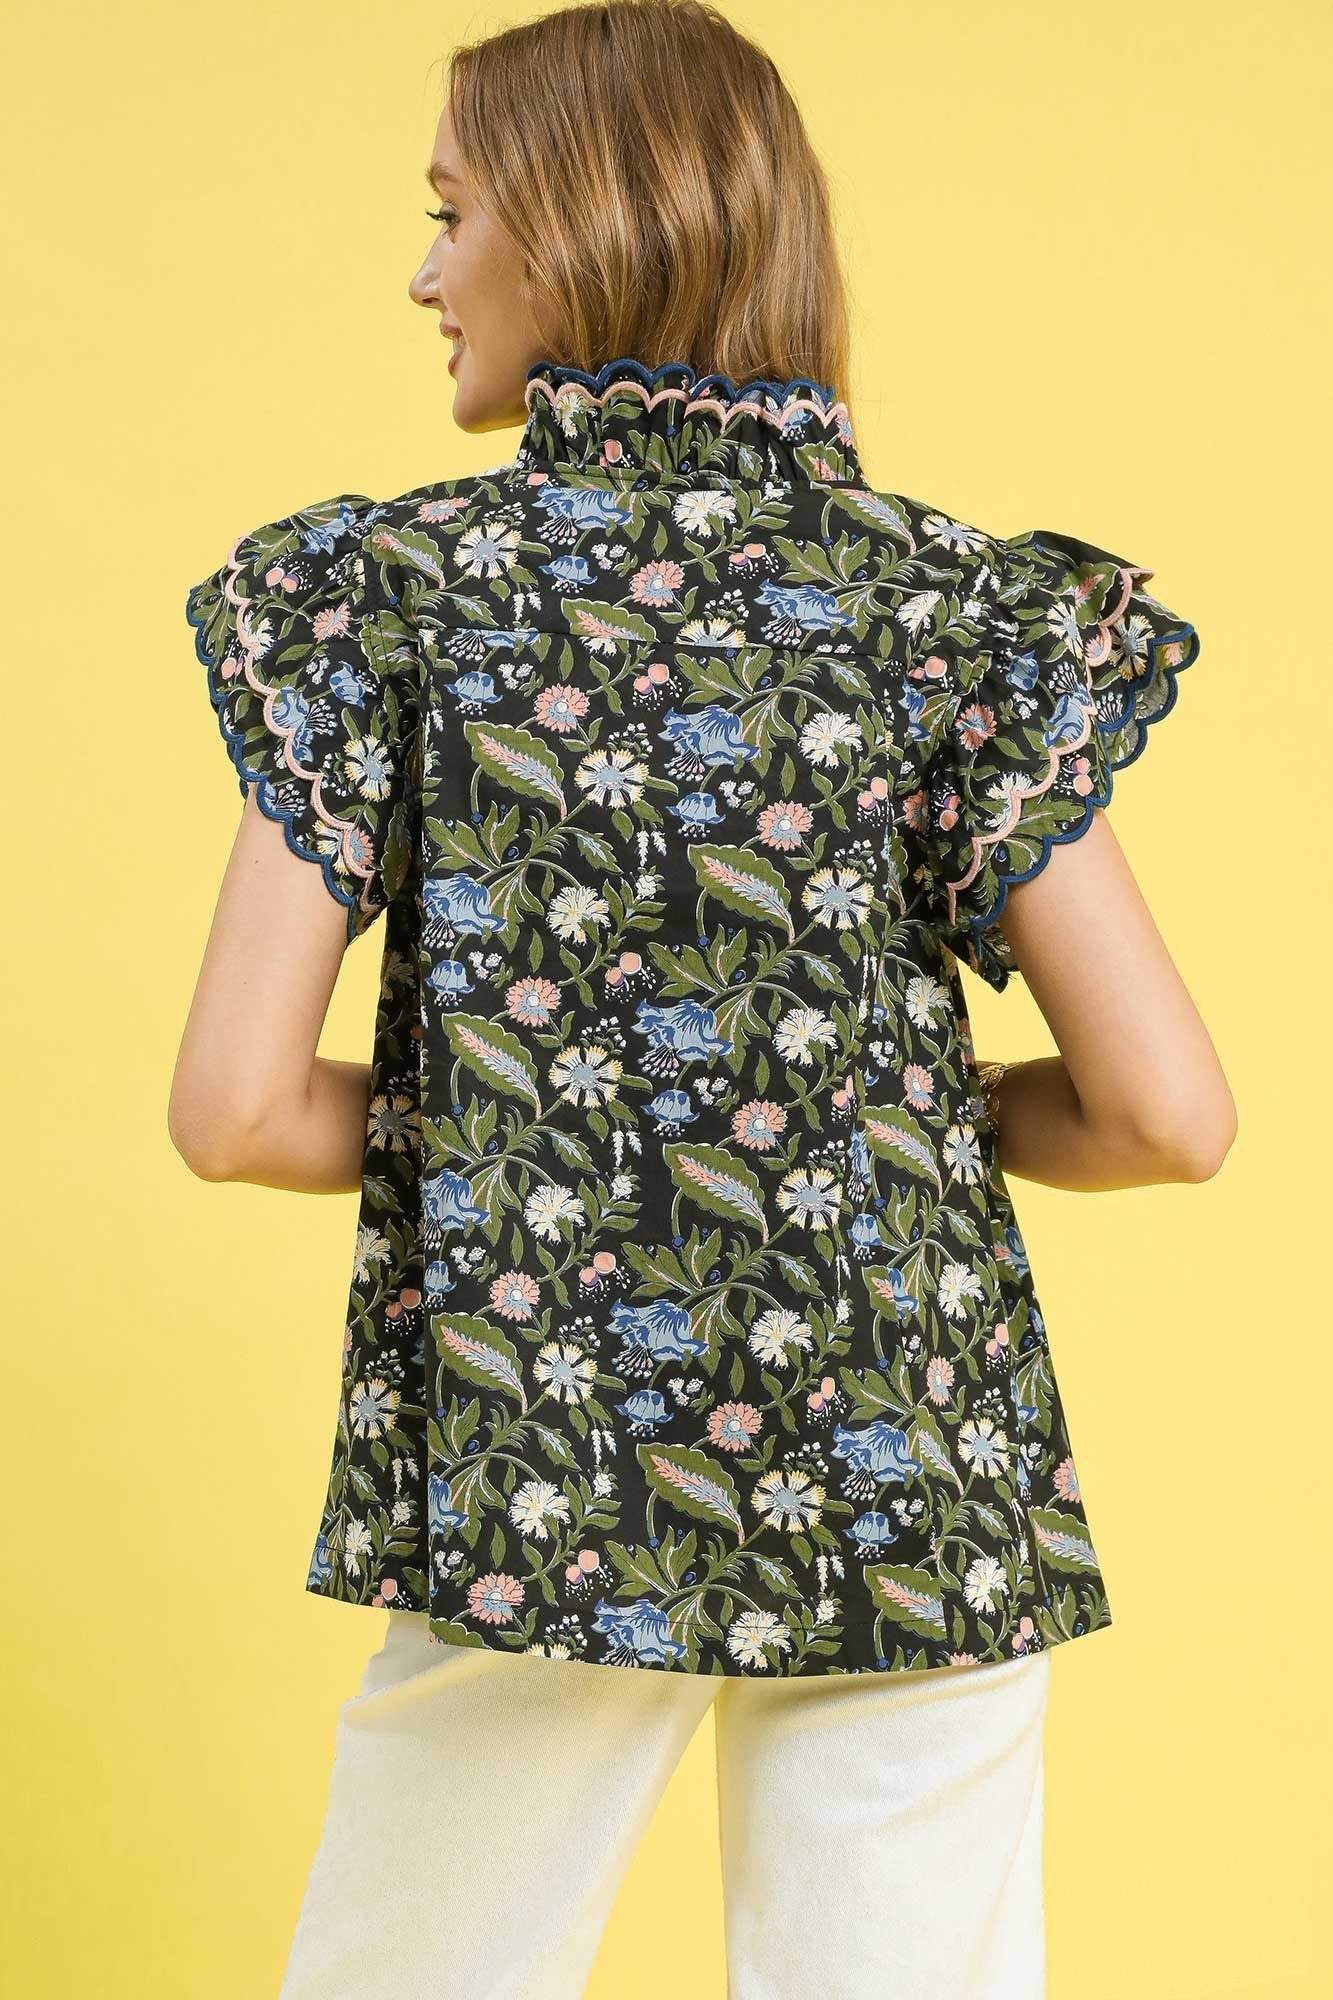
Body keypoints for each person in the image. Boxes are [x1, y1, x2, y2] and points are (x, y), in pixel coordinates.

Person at [168, 3, 1237, 1995]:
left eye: (451, 214)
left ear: (581, 228)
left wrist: (537, 1130)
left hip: (539, 1458)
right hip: (913, 1457)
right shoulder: (949, 614)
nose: (423, 274)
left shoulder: (382, 600)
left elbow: (235, 1111)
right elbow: (1165, 1116)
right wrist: (869, 1113)